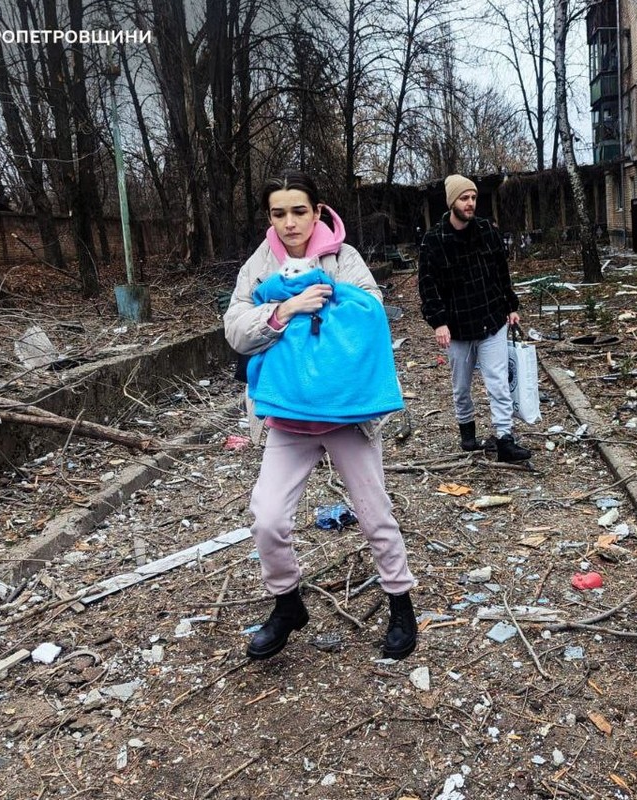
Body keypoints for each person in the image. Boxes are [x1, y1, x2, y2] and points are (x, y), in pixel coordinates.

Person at [224, 171, 417, 661]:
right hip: (289, 417)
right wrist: (284, 308)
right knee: (267, 519)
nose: (290, 223)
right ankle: (287, 604)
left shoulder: (343, 258)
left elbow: (372, 314)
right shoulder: (259, 263)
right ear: (269, 217)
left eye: (299, 211)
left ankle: (400, 602)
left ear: (317, 210)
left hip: (346, 413)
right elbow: (235, 331)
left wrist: (325, 293)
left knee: (375, 515)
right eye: (278, 213)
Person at [418, 174, 532, 463]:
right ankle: (467, 434)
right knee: (461, 386)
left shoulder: (486, 231)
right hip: (456, 326)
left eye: (473, 198)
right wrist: (438, 321)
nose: (470, 203)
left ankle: (505, 438)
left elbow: (500, 273)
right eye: (464, 198)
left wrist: (510, 306)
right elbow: (428, 285)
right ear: (451, 202)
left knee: (498, 381)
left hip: (491, 319)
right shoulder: (434, 240)